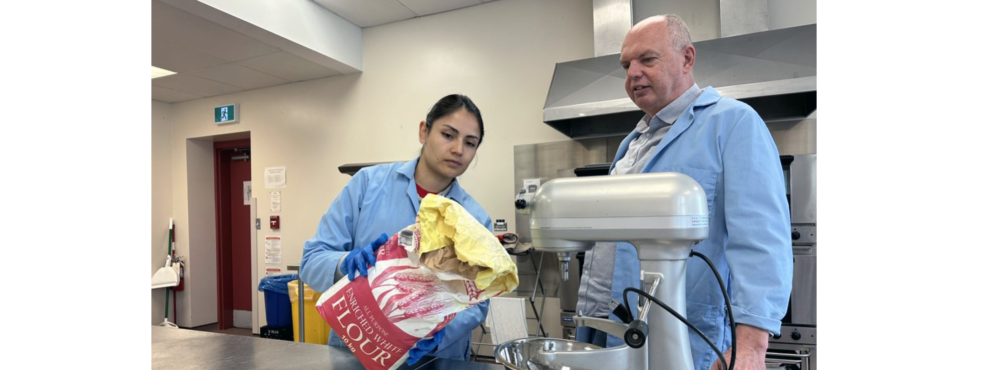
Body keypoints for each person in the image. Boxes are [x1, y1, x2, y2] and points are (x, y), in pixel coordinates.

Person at [574, 14, 793, 370]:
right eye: (626, 65)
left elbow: (762, 239)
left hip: (685, 334)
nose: (633, 73)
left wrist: (752, 345)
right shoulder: (634, 143)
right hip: (610, 328)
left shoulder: (732, 123)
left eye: (647, 59)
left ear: (687, 59)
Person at [300, 94, 492, 365]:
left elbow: (479, 302)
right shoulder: (366, 186)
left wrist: (442, 333)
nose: (459, 149)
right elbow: (311, 260)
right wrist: (345, 263)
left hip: (434, 358)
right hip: (357, 352)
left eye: (470, 143)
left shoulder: (476, 219)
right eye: (448, 135)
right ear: (424, 131)